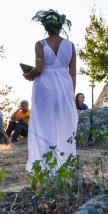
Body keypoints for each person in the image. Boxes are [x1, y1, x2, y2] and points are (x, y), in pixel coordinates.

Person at [23, 9, 77, 173]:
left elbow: (39, 68)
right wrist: (71, 94)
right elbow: (73, 72)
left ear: (45, 27)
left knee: (44, 122)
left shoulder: (40, 44)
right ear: (60, 26)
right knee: (64, 123)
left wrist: (28, 75)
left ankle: (47, 165)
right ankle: (64, 164)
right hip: (65, 85)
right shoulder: (70, 45)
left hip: (45, 86)